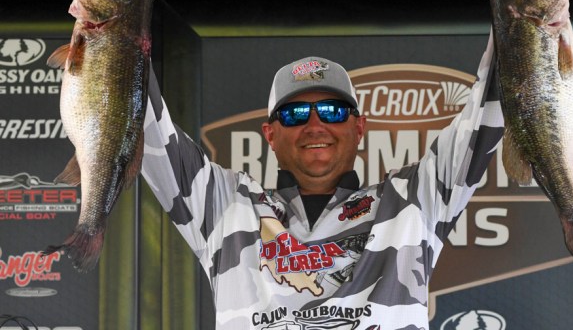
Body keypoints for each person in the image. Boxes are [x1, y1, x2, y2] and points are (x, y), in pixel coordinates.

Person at [140, 32, 503, 329]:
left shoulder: (411, 201)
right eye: (295, 113)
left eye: (333, 111)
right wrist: (120, 13)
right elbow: (142, 120)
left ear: (358, 127)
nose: (315, 125)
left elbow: (490, 105)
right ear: (270, 134)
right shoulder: (228, 206)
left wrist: (519, 1)